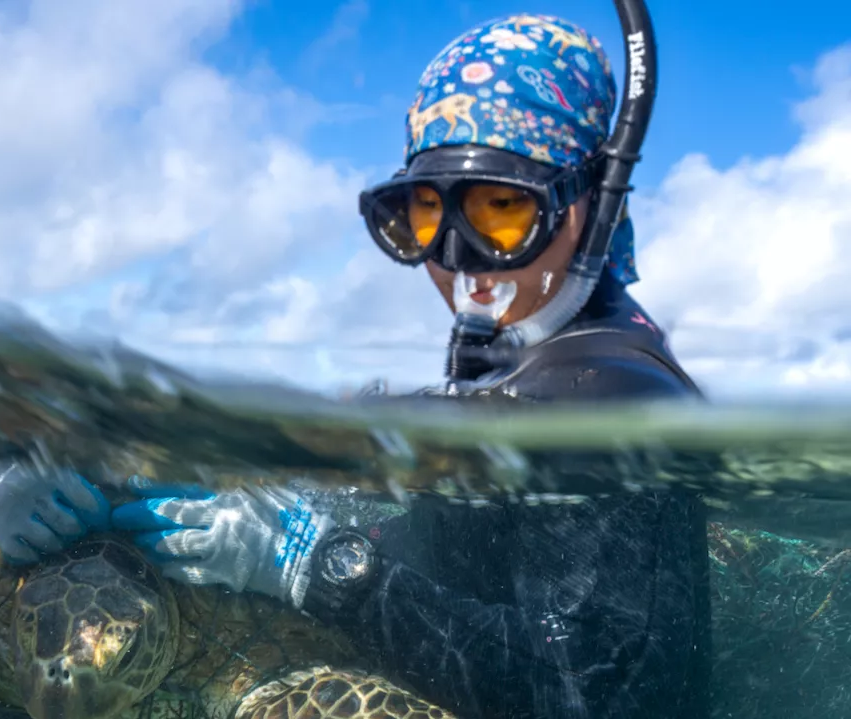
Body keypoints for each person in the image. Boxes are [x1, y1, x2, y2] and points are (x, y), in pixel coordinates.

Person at [101, 13, 711, 719]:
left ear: (591, 199)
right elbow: (474, 556)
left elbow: (589, 693)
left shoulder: (613, 400)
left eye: (502, 208)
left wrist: (327, 567)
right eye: (426, 214)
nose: (459, 260)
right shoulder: (532, 359)